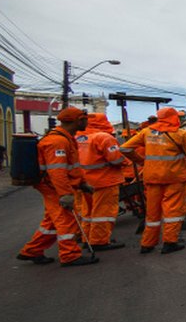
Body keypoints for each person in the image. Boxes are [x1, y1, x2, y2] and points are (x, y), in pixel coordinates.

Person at [16, 107, 99, 267]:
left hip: (55, 186)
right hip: (54, 187)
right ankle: (70, 256)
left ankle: (32, 250)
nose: (87, 122)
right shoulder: (58, 141)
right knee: (66, 221)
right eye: (84, 118)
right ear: (77, 121)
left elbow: (72, 167)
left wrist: (81, 183)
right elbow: (57, 172)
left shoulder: (65, 138)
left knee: (51, 222)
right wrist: (65, 194)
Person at [120, 107, 186, 254]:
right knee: (172, 211)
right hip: (174, 178)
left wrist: (142, 161)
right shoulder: (181, 134)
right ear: (174, 118)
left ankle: (147, 244)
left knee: (152, 213)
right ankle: (169, 242)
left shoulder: (147, 132)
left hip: (152, 178)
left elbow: (124, 149)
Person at [76, 113, 128, 250]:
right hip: (105, 181)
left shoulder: (78, 138)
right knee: (103, 212)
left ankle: (87, 238)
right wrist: (125, 161)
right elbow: (116, 160)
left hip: (85, 182)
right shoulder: (104, 137)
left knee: (88, 213)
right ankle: (99, 241)